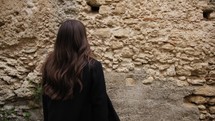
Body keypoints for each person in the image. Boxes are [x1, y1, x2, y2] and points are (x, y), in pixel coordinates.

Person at [41, 19, 120, 121]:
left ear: (60, 40)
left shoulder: (50, 66)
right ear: (82, 39)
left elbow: (46, 103)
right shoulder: (93, 67)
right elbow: (100, 105)